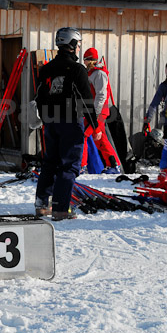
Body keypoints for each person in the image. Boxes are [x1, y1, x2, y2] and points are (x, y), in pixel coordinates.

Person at [34, 27, 100, 221]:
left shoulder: (46, 69)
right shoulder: (77, 69)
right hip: (71, 122)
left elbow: (39, 96)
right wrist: (94, 126)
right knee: (68, 166)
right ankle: (61, 209)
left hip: (50, 123)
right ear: (72, 45)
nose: (79, 48)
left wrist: (46, 118)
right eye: (78, 44)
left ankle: (41, 204)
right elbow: (86, 99)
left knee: (49, 162)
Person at [81, 48, 121, 174]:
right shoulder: (92, 73)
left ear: (90, 60)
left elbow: (101, 96)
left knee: (83, 135)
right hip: (93, 111)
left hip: (98, 111)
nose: (84, 62)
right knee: (100, 138)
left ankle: (82, 166)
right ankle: (114, 165)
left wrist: (94, 114)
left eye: (86, 60)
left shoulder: (99, 74)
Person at [143, 62, 167, 178]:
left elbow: (154, 104)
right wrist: (147, 119)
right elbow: (154, 104)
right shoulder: (164, 86)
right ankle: (163, 173)